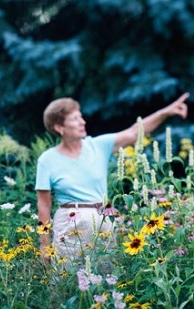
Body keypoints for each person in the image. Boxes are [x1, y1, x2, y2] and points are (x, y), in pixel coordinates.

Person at [36, 93, 189, 260]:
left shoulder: (98, 146)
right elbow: (44, 206)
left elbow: (133, 133)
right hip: (69, 226)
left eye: (81, 117)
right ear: (59, 128)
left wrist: (165, 112)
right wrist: (44, 246)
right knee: (67, 280)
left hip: (103, 221)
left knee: (106, 279)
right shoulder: (47, 159)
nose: (83, 122)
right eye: (75, 119)